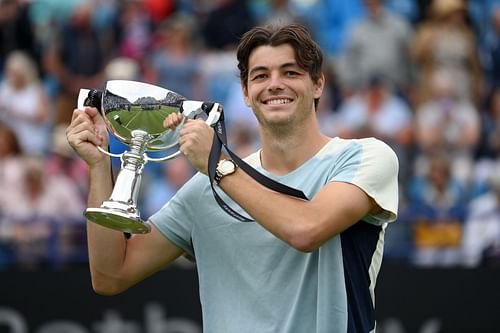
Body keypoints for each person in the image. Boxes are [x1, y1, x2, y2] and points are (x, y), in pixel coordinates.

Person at [66, 23, 399, 332]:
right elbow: (110, 276)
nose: (275, 84)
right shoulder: (204, 188)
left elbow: (305, 229)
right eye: (260, 76)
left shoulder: (364, 157)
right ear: (244, 92)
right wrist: (98, 166)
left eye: (291, 72)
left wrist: (217, 165)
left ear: (318, 84)